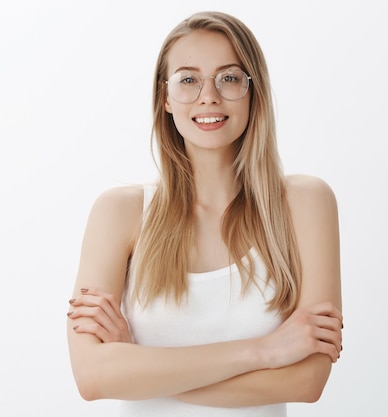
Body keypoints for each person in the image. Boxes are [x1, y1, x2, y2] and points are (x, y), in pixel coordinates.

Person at [66, 11, 343, 417]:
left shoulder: (305, 203)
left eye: (229, 78)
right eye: (188, 79)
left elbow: (306, 381)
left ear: (254, 91)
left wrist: (141, 365)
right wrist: (264, 351)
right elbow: (92, 378)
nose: (208, 96)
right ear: (165, 97)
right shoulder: (119, 212)